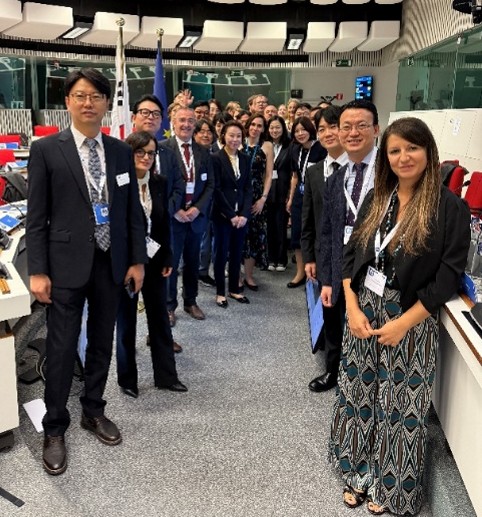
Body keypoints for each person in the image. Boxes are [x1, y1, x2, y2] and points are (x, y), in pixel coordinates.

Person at [330, 117, 471, 515]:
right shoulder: (378, 198)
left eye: (412, 148)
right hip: (363, 311)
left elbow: (448, 277)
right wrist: (351, 306)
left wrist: (404, 323)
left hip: (410, 316)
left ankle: (390, 486)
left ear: (428, 152)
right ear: (386, 157)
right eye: (395, 150)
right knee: (358, 394)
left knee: (400, 406)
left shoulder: (449, 207)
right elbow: (350, 256)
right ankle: (357, 471)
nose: (404, 157)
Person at [26, 68, 147, 475]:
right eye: (80, 95)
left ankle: (93, 410)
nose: (88, 102)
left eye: (96, 96)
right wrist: (38, 271)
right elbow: (36, 217)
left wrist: (136, 260)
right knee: (61, 348)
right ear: (68, 102)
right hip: (64, 265)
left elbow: (131, 212)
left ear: (106, 102)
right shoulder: (47, 150)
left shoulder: (120, 151)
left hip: (111, 262)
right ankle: (54, 427)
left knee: (100, 342)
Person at [116, 131, 187, 398]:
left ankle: (166, 376)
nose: (146, 157)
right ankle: (127, 379)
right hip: (127, 263)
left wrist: (167, 256)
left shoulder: (159, 181)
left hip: (156, 260)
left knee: (159, 318)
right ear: (130, 153)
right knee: (126, 321)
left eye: (151, 153)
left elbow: (162, 221)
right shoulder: (119, 182)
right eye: (140, 152)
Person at [318, 100, 379, 391]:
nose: (353, 133)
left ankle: (366, 383)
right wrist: (326, 279)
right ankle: (333, 371)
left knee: (370, 321)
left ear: (376, 129)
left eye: (361, 126)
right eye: (346, 127)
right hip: (339, 261)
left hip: (375, 265)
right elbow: (327, 232)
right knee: (334, 318)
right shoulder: (336, 179)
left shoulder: (389, 173)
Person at [301, 105, 348, 391]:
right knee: (331, 315)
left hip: (355, 257)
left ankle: (356, 373)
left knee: (354, 316)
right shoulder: (314, 172)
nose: (328, 133)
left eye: (333, 126)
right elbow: (308, 218)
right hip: (325, 257)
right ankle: (332, 370)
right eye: (321, 129)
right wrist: (309, 256)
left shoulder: (362, 170)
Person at [160, 107, 214, 326]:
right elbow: (158, 186)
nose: (186, 124)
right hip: (173, 217)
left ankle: (190, 301)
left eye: (191, 121)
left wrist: (197, 209)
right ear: (173, 122)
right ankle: (168, 306)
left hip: (195, 217)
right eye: (182, 120)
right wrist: (175, 210)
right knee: (171, 263)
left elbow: (210, 185)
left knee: (192, 261)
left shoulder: (203, 151)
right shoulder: (163, 149)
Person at [211, 121, 253, 307]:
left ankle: (235, 289)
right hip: (222, 215)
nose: (235, 139)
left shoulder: (245, 158)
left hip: (241, 216)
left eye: (238, 136)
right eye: (231, 135)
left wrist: (244, 214)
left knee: (237, 253)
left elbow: (248, 188)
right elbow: (216, 189)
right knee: (221, 254)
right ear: (223, 136)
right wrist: (231, 215)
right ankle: (220, 292)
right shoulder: (215, 158)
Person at [286, 116, 326, 288]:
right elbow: (295, 176)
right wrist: (290, 198)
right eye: (297, 131)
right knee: (298, 234)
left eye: (303, 129)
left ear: (311, 130)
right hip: (300, 196)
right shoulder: (295, 149)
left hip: (317, 196)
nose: (300, 133)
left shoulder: (321, 149)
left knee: (314, 233)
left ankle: (316, 274)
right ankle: (300, 273)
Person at [241, 113, 274, 289]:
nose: (255, 128)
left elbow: (268, 175)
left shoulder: (267, 146)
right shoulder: (239, 141)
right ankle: (236, 275)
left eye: (259, 125)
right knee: (238, 236)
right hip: (239, 196)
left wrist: (263, 198)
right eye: (253, 124)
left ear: (263, 129)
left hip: (257, 198)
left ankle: (249, 276)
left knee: (253, 236)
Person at [265, 115, 292, 271]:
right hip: (267, 191)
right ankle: (270, 258)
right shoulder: (264, 145)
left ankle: (281, 259)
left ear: (283, 129)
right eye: (272, 127)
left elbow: (293, 172)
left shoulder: (290, 146)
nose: (274, 130)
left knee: (281, 226)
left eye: (277, 127)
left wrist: (289, 193)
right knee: (269, 227)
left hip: (282, 190)